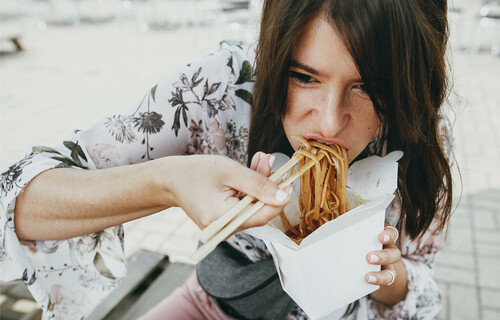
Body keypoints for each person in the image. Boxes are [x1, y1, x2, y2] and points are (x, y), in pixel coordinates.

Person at [0, 0, 455, 319]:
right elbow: (19, 200)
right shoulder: (223, 89)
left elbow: (423, 287)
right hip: (216, 305)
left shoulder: (420, 131)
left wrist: (389, 279)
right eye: (303, 76)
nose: (332, 123)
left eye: (368, 86)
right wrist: (168, 184)